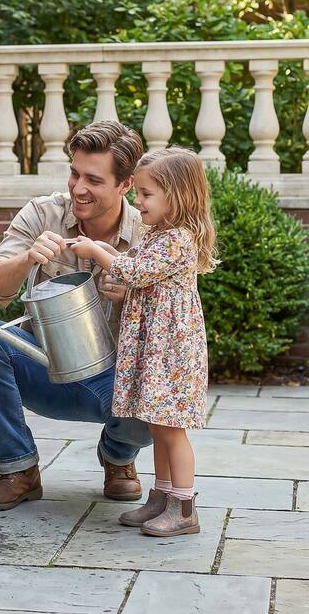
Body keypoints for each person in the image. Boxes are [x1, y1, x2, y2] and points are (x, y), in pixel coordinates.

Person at [0, 120, 152, 512]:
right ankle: (19, 470)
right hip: (43, 367)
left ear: (125, 185)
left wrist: (134, 297)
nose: (78, 188)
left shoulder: (148, 232)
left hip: (114, 383)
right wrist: (27, 258)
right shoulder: (42, 213)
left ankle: (118, 456)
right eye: (74, 173)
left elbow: (177, 322)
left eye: (94, 180)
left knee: (163, 389)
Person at [71, 147, 216, 536]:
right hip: (155, 351)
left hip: (170, 354)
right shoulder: (158, 235)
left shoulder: (178, 240)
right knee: (156, 426)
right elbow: (131, 261)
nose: (138, 201)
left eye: (147, 194)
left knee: (171, 430)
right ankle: (162, 497)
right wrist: (100, 248)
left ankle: (184, 507)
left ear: (178, 196)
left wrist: (94, 251)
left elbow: (133, 272)